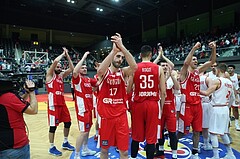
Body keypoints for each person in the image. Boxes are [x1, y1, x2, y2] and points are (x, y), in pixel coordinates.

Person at [97, 33, 137, 159]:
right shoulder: (104, 73)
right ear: (112, 57)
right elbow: (100, 71)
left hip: (121, 118)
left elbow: (135, 67)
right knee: (104, 151)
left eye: (121, 57)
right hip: (106, 118)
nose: (120, 59)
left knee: (124, 152)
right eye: (118, 56)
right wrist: (114, 50)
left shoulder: (123, 72)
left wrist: (122, 47)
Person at [178, 41, 216, 159]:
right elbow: (185, 63)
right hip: (187, 106)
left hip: (197, 105)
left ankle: (194, 153)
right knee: (182, 132)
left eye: (196, 59)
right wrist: (194, 48)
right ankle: (172, 142)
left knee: (196, 131)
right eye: (193, 59)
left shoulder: (197, 72)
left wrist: (214, 49)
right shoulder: (184, 73)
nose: (195, 61)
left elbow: (211, 62)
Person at [129, 45, 166, 159]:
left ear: (140, 55)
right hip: (152, 104)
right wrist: (161, 106)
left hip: (138, 104)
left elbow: (129, 89)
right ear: (151, 55)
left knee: (136, 135)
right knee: (151, 138)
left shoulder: (135, 67)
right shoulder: (158, 68)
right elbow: (163, 92)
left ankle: (133, 157)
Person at [200, 63, 236, 159]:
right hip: (225, 108)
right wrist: (227, 106)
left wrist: (194, 90)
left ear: (219, 70)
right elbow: (232, 98)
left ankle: (216, 156)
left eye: (215, 69)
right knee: (223, 132)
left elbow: (207, 93)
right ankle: (230, 153)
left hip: (217, 108)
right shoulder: (230, 83)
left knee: (213, 133)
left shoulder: (217, 81)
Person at [46, 47, 75, 156]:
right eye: (57, 67)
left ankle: (65, 142)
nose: (59, 68)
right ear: (53, 68)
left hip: (62, 104)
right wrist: (63, 54)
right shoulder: (49, 76)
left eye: (60, 67)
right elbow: (55, 62)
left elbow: (72, 68)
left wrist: (68, 56)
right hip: (53, 105)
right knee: (53, 127)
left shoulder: (61, 76)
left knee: (68, 122)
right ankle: (51, 147)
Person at [0, 80, 38, 159]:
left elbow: (16, 103)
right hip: (15, 146)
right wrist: (32, 91)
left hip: (3, 145)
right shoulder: (8, 97)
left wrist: (26, 93)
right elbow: (33, 110)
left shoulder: (4, 97)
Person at [153, 46, 179, 159]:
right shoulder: (156, 77)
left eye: (165, 65)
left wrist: (171, 76)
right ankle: (160, 150)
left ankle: (174, 153)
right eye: (162, 65)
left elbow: (177, 88)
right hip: (159, 108)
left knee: (172, 132)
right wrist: (159, 57)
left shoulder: (172, 77)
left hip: (170, 108)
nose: (164, 67)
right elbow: (152, 65)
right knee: (159, 132)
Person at [72, 51, 98, 159]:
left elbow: (97, 84)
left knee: (87, 130)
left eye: (86, 67)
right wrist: (83, 57)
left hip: (89, 108)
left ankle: (85, 149)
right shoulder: (77, 80)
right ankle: (77, 154)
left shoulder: (88, 79)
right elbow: (74, 71)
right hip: (82, 109)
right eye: (82, 67)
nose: (85, 69)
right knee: (83, 132)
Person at [199, 71, 213, 150]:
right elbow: (211, 92)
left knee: (196, 125)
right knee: (206, 126)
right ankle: (206, 143)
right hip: (205, 102)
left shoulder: (192, 78)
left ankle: (198, 145)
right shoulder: (207, 79)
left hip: (197, 102)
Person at [227, 64, 240, 131]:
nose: (230, 69)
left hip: (235, 95)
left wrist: (239, 90)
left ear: (233, 69)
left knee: (235, 109)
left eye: (231, 68)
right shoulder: (226, 76)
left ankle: (237, 124)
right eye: (229, 68)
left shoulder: (237, 76)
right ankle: (228, 122)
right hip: (228, 94)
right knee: (228, 109)